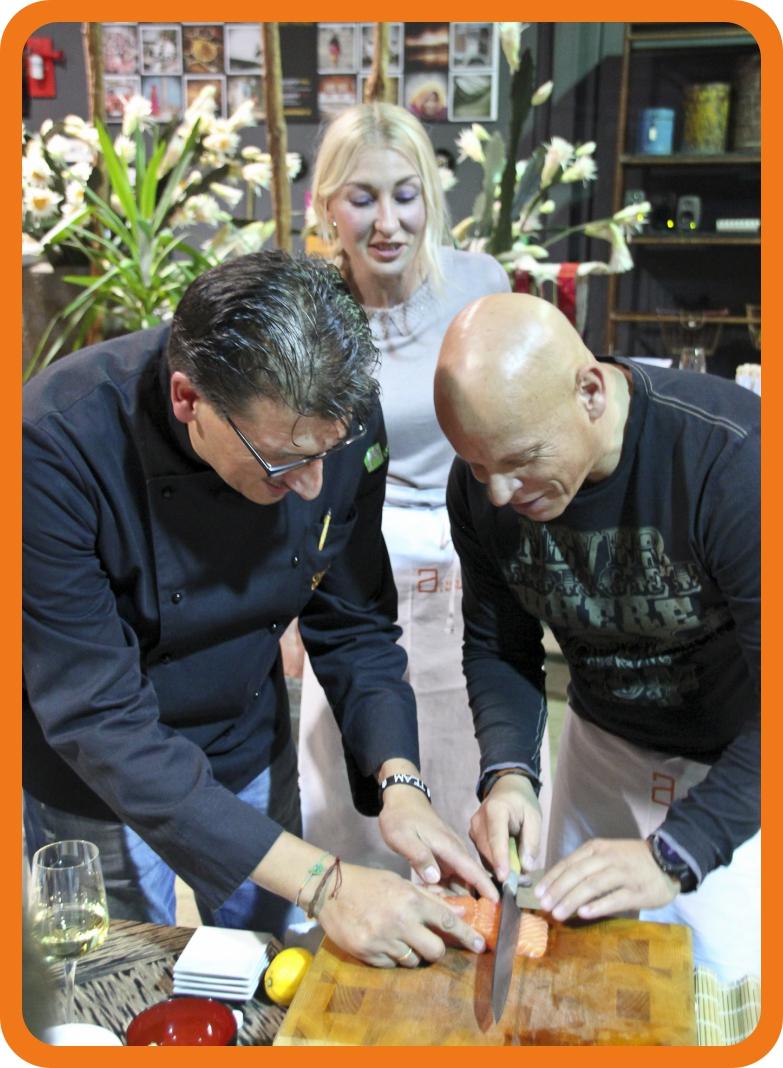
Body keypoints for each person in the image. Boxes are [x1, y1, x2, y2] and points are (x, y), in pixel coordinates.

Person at [23, 250, 498, 969]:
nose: (312, 487)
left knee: (273, 967)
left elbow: (355, 621)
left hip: (246, 739)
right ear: (188, 399)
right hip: (102, 775)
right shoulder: (53, 448)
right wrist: (326, 882)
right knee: (119, 978)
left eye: (325, 455)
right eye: (282, 463)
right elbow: (98, 715)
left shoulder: (336, 418)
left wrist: (400, 782)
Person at [433, 292, 760, 982]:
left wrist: (680, 849)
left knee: (718, 990)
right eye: (478, 467)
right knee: (578, 981)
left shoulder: (733, 462)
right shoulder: (485, 484)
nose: (499, 494)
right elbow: (499, 645)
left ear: (589, 392)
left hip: (736, 771)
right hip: (600, 752)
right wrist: (509, 773)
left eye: (520, 460)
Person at [297, 101, 552, 876]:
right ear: (327, 205)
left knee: (471, 753)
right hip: (351, 569)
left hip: (465, 553)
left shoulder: (477, 282)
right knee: (356, 783)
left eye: (405, 195)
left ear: (430, 199)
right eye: (362, 198)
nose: (387, 222)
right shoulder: (310, 305)